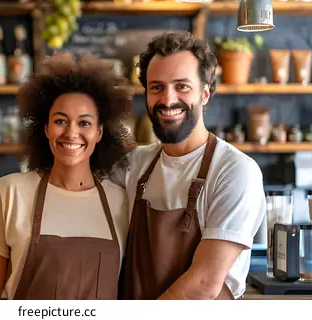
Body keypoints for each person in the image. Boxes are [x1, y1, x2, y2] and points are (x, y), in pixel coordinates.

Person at [112, 31, 266, 300]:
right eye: (156, 87)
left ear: (205, 94)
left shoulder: (235, 170)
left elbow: (204, 283)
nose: (168, 99)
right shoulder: (133, 165)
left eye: (182, 86)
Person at [0, 52, 135, 300]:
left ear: (100, 133)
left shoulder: (122, 201)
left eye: (84, 123)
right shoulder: (11, 192)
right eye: (61, 121)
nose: (71, 133)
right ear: (47, 129)